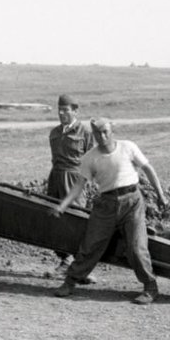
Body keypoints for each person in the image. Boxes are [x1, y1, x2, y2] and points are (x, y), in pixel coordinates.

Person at [48, 117, 167, 305]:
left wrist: (160, 195)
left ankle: (150, 288)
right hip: (106, 205)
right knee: (90, 245)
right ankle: (70, 283)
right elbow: (79, 186)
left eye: (105, 132)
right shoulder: (90, 158)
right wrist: (62, 206)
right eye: (97, 133)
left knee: (136, 247)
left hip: (132, 203)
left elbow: (147, 169)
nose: (102, 136)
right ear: (93, 135)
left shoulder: (128, 147)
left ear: (112, 131)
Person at [47, 93, 94, 273]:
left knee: (76, 220)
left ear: (76, 111)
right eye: (59, 110)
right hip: (56, 178)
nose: (61, 114)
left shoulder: (86, 133)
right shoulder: (55, 133)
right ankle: (65, 259)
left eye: (65, 110)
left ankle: (81, 266)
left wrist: (87, 182)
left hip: (75, 180)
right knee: (55, 219)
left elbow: (91, 158)